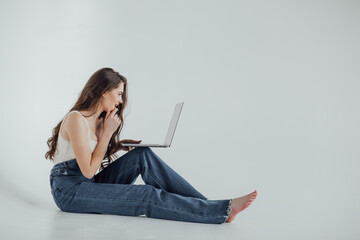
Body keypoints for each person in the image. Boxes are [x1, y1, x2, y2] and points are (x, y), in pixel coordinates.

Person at [45, 67, 257, 224]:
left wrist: (116, 145)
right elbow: (89, 170)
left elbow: (92, 159)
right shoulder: (76, 119)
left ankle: (208, 206)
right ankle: (218, 211)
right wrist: (107, 134)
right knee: (145, 194)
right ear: (103, 91)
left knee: (142, 155)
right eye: (118, 93)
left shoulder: (99, 120)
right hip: (68, 190)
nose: (120, 100)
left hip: (85, 183)